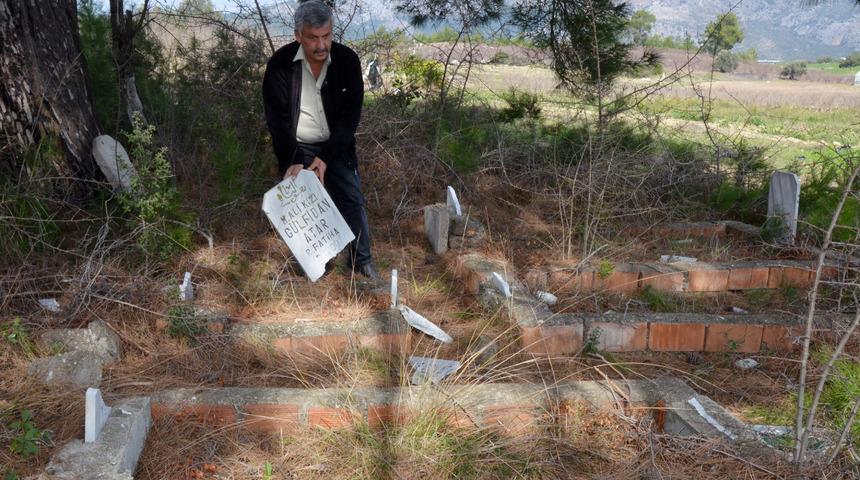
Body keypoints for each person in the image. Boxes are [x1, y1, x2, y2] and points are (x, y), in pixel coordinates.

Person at [262, 0, 380, 281]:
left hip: (336, 144)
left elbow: (349, 118)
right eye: (313, 38)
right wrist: (292, 159)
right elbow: (277, 119)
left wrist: (326, 157)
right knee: (302, 206)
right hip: (297, 146)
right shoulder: (280, 65)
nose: (321, 45)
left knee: (352, 198)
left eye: (326, 36)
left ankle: (361, 261)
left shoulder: (347, 61)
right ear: (298, 35)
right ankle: (318, 264)